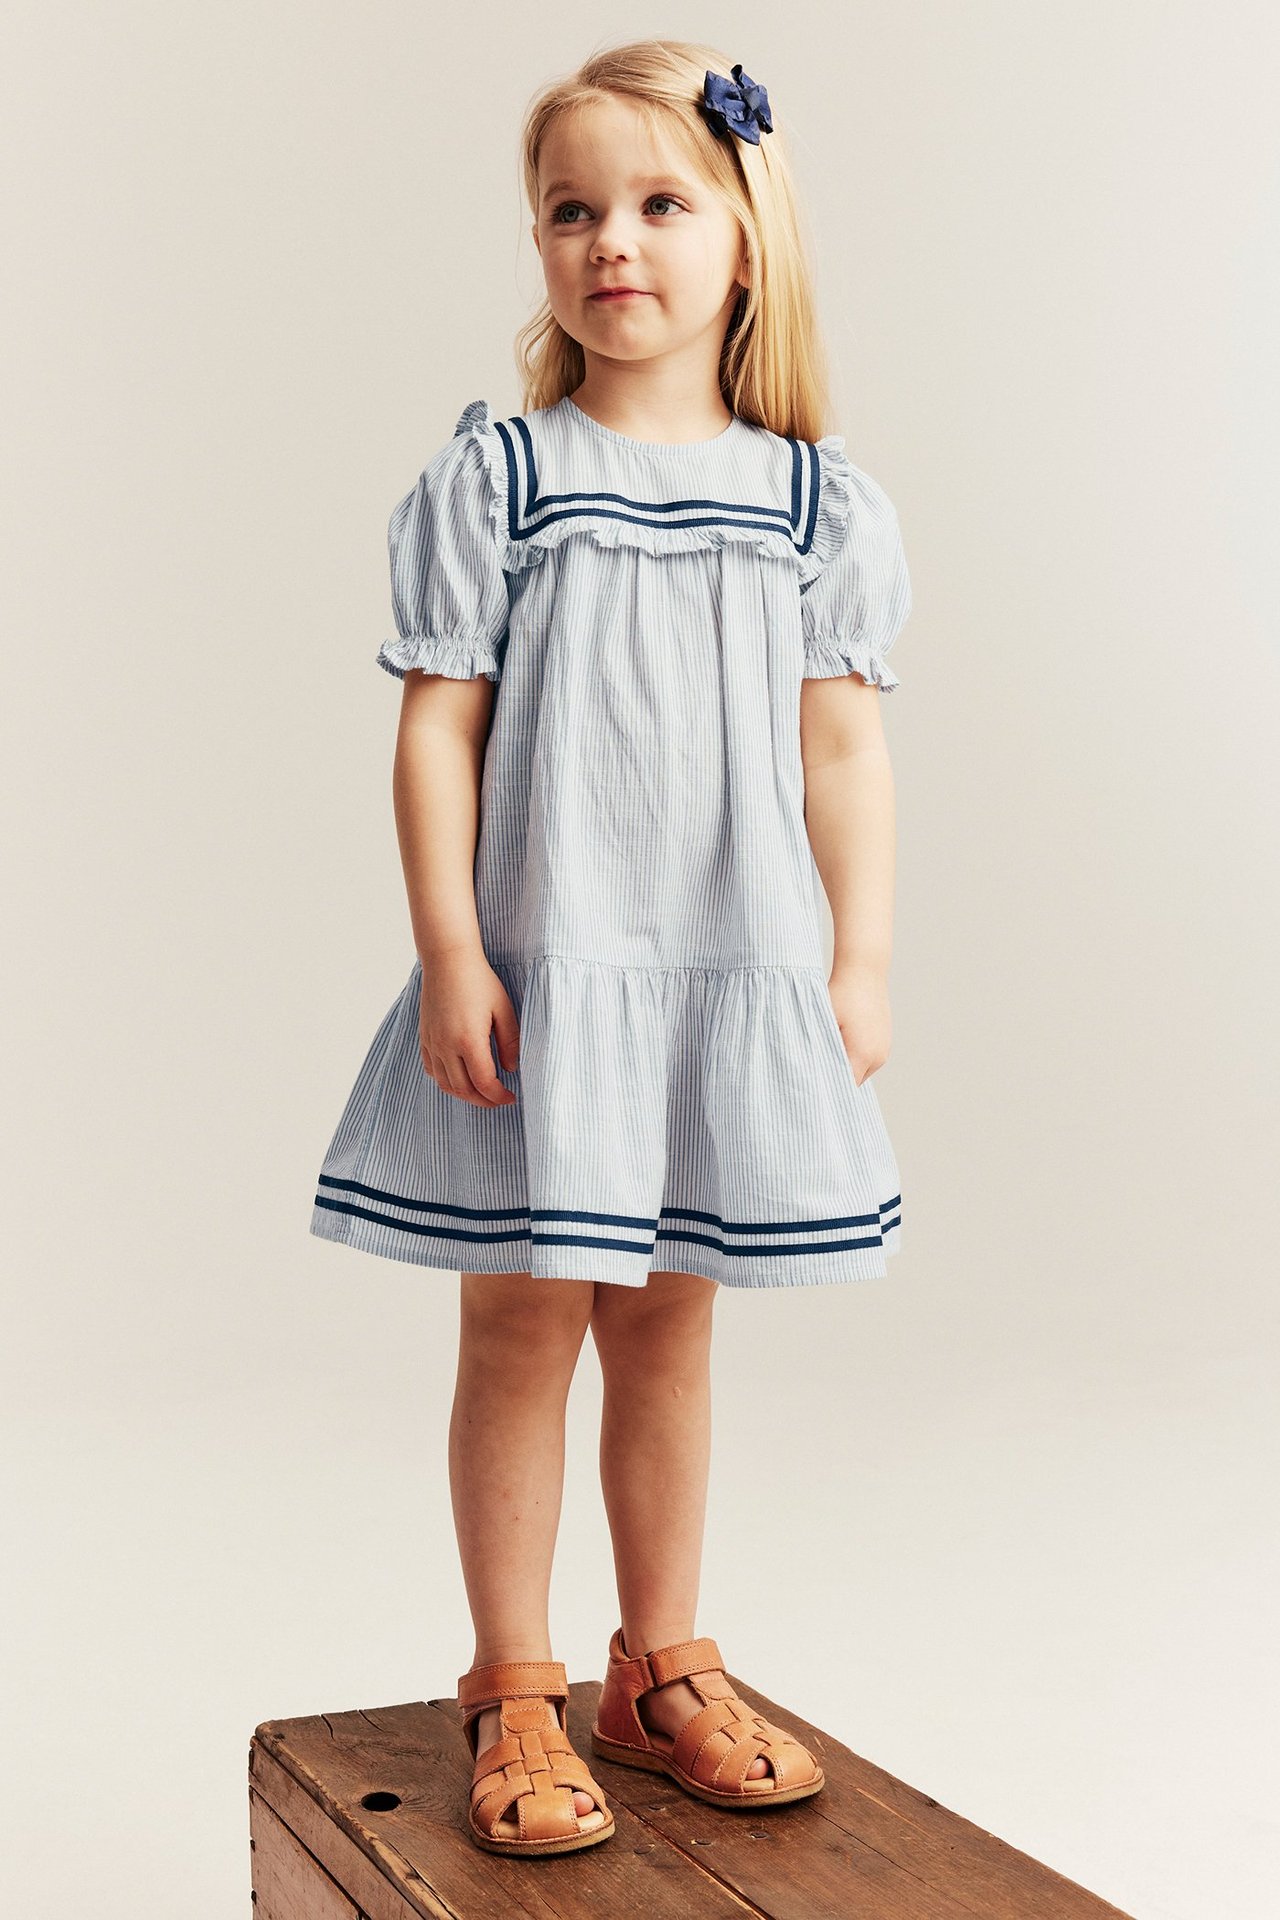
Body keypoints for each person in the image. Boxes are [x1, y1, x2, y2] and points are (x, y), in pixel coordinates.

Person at [310, 39, 914, 1857]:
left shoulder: (814, 502)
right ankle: (515, 1679)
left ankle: (663, 1665)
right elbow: (439, 723)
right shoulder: (507, 474)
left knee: (668, 1332)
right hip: (550, 971)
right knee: (520, 1325)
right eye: (570, 210)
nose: (610, 243)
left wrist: (858, 958)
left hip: (726, 978)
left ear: (747, 239)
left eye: (660, 204)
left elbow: (843, 746)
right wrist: (452, 946)